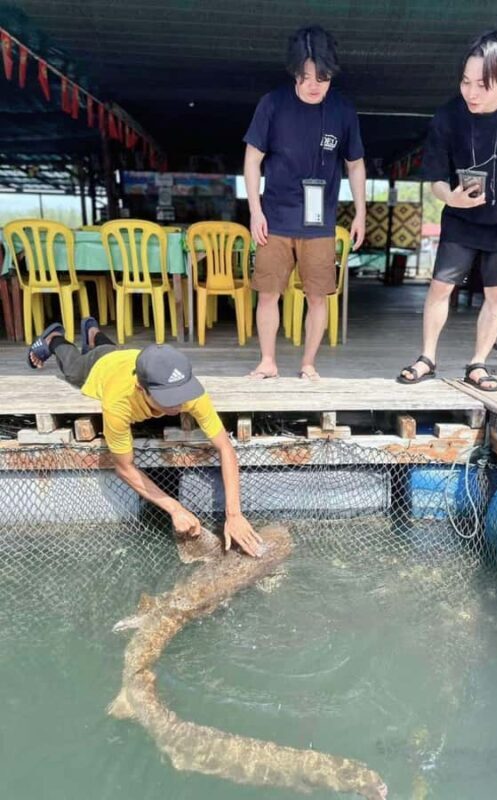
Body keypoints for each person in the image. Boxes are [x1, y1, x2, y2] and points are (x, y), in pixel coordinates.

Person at [27, 317, 262, 556]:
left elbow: (225, 448)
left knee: (110, 350)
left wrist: (234, 514)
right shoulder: (117, 404)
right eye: (169, 398)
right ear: (142, 389)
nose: (179, 402)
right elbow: (125, 468)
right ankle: (54, 338)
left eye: (181, 394)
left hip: (129, 358)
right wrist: (174, 507)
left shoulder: (187, 388)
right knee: (74, 368)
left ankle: (94, 333)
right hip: (102, 368)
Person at [398, 29, 497, 391]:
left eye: (482, 85)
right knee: (439, 287)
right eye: (466, 82)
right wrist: (450, 198)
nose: (471, 92)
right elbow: (434, 177)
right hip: (461, 217)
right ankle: (427, 358)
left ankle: (478, 364)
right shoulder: (449, 115)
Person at [243, 24, 366, 381]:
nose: (315, 85)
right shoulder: (272, 104)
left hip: (320, 223)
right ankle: (267, 361)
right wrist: (255, 211)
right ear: (295, 72)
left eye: (323, 77)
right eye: (307, 76)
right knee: (268, 294)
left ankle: (308, 363)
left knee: (318, 296)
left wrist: (360, 212)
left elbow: (355, 164)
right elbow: (252, 159)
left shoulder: (343, 110)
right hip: (275, 218)